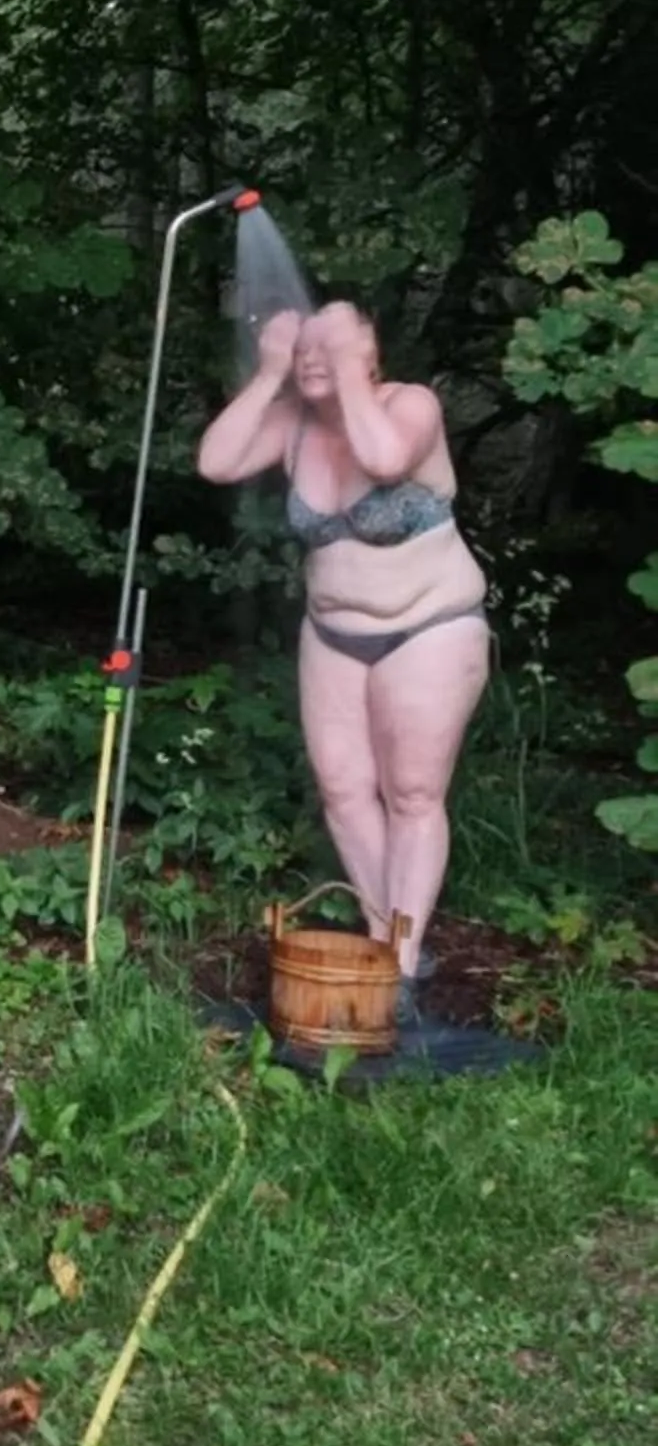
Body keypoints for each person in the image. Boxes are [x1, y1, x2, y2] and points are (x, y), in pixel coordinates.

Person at [198, 300, 489, 988]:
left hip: (432, 625)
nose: (314, 355)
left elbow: (384, 460)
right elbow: (216, 461)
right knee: (344, 791)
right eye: (306, 348)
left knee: (413, 792)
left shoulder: (410, 405)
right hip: (331, 632)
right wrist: (271, 372)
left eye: (333, 343)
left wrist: (349, 363)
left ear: (370, 351)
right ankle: (381, 938)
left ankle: (404, 963)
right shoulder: (296, 427)